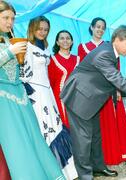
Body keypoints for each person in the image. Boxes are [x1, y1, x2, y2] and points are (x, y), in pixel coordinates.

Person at [60, 25, 126, 180]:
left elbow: (111, 80)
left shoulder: (111, 52)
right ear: (117, 39)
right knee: (83, 141)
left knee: (95, 136)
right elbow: (117, 80)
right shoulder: (104, 53)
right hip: (79, 99)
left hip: (91, 100)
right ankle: (85, 176)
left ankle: (99, 168)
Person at [0, 1, 64, 179]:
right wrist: (10, 52)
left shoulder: (8, 39)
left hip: (21, 96)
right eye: (5, 18)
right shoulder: (10, 45)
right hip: (3, 100)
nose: (10, 22)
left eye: (12, 18)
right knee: (16, 143)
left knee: (34, 140)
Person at [20, 16, 77, 179]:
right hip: (36, 94)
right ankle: (48, 171)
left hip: (49, 94)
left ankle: (65, 171)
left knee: (57, 126)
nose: (43, 32)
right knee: (45, 129)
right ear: (32, 28)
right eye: (40, 28)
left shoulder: (45, 49)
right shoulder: (27, 46)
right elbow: (23, 73)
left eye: (46, 29)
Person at [79, 17, 126, 165]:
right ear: (91, 28)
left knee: (110, 122)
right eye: (97, 26)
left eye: (103, 27)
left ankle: (113, 154)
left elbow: (116, 70)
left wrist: (117, 89)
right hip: (92, 91)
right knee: (95, 127)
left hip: (109, 89)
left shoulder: (111, 46)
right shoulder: (83, 47)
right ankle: (96, 159)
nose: (100, 30)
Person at [48, 30, 80, 129]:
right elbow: (51, 82)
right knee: (65, 127)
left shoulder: (78, 59)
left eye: (68, 38)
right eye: (62, 38)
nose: (65, 40)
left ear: (72, 41)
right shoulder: (52, 60)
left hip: (77, 97)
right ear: (57, 42)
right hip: (60, 99)